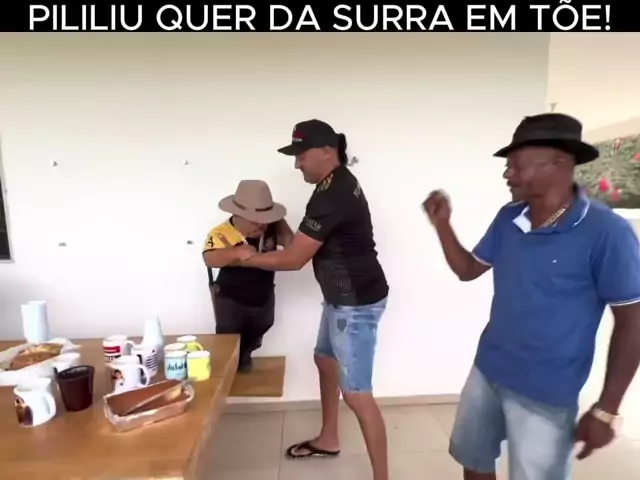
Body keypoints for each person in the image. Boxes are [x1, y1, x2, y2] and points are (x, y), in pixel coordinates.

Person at [423, 113, 640, 480]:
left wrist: (607, 409)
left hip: (547, 390)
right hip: (488, 368)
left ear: (560, 163)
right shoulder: (509, 218)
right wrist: (442, 224)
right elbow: (468, 270)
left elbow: (633, 321)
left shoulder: (607, 232)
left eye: (516, 164)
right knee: (473, 460)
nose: (507, 174)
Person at [237, 119, 390, 480]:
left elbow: (294, 259)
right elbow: (302, 245)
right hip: (341, 298)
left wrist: (244, 258)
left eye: (301, 155)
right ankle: (329, 438)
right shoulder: (332, 184)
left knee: (358, 394)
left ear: (326, 151)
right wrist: (276, 221)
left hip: (354, 304)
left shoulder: (332, 194)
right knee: (325, 358)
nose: (296, 164)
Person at [202, 179, 293, 373]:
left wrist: (280, 223)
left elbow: (291, 245)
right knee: (229, 335)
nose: (261, 226)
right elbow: (210, 258)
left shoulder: (271, 227)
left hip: (263, 293)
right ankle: (227, 368)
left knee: (264, 323)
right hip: (231, 296)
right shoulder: (222, 233)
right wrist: (235, 253)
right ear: (238, 215)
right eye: (255, 221)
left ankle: (244, 354)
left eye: (265, 220)